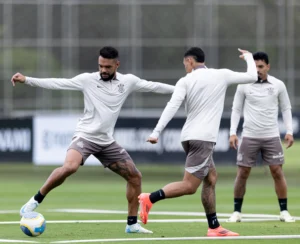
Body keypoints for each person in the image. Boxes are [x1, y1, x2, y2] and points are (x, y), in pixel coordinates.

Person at [11, 46, 175, 234]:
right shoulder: (87, 80)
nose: (103, 70)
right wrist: (27, 80)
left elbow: (153, 86)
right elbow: (58, 83)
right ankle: (34, 201)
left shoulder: (128, 81)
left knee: (135, 177)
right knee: (70, 167)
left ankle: (131, 224)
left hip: (106, 141)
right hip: (85, 136)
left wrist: (182, 90)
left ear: (117, 64)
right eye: (100, 66)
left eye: (107, 67)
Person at [138, 47, 258, 237]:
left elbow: (172, 106)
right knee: (189, 186)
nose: (184, 66)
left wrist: (156, 132)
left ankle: (214, 227)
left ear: (190, 61)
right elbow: (252, 76)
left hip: (189, 137)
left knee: (211, 178)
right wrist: (249, 57)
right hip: (203, 139)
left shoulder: (184, 81)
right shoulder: (221, 75)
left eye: (184, 63)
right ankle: (149, 198)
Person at [226, 51, 295, 223]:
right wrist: (232, 132)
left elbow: (286, 108)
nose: (258, 70)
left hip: (271, 135)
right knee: (242, 172)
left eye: (261, 66)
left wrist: (289, 131)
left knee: (277, 172)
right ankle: (236, 212)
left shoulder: (278, 85)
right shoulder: (244, 85)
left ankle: (284, 211)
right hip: (249, 135)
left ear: (268, 67)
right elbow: (236, 109)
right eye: (255, 66)